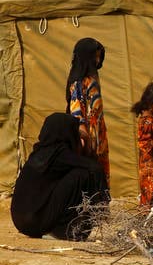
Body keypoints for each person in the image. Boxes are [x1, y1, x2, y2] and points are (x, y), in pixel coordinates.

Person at [11, 113, 109, 241]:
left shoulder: (41, 152)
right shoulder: (60, 154)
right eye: (74, 131)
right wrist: (88, 141)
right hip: (35, 221)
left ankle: (57, 227)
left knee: (80, 172)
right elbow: (94, 167)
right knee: (83, 175)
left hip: (23, 222)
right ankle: (61, 230)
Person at [66, 37, 110, 187]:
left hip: (99, 134)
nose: (97, 61)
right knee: (91, 175)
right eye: (95, 56)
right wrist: (86, 139)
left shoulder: (92, 79)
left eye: (99, 56)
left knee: (100, 175)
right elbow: (77, 113)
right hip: (88, 138)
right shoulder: (79, 83)